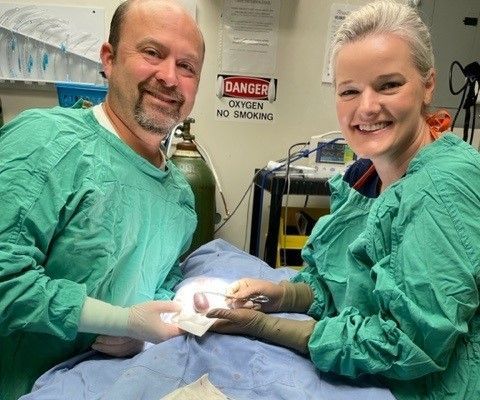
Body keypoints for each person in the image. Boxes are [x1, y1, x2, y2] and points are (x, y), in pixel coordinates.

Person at [207, 1, 480, 399]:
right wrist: (277, 294)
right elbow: (336, 283)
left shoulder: (445, 188)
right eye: (350, 91)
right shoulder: (363, 176)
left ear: (427, 85)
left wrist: (266, 328)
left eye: (389, 85)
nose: (366, 107)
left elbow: (411, 345)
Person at [0, 1, 205, 399]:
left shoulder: (179, 198)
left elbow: (162, 282)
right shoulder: (45, 142)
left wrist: (143, 329)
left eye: (187, 66)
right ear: (109, 59)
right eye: (152, 53)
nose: (169, 77)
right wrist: (120, 319)